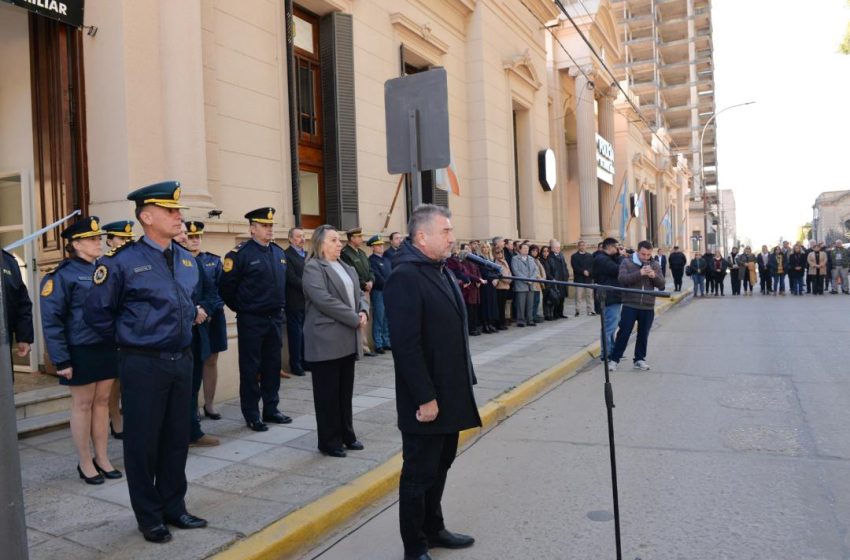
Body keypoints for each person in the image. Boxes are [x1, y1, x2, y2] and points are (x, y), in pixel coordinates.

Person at [84, 181, 208, 543]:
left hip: (181, 360)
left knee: (176, 438)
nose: (179, 217)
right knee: (142, 443)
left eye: (178, 211)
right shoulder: (121, 262)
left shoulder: (186, 258)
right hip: (143, 363)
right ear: (146, 216)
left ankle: (174, 507)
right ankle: (149, 516)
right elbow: (96, 315)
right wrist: (132, 339)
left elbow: (188, 300)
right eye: (171, 211)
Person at [384, 204, 481, 560]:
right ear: (421, 237)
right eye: (446, 232)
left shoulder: (440, 270)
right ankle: (414, 546)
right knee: (418, 473)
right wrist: (425, 397)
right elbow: (406, 346)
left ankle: (433, 528)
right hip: (425, 398)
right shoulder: (405, 276)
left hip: (451, 392)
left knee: (440, 466)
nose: (452, 238)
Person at [41, 217, 122, 485]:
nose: (98, 242)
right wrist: (60, 358)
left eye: (99, 238)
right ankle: (85, 461)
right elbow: (52, 320)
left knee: (102, 403)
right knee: (83, 405)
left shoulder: (105, 269)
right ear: (76, 244)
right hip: (80, 348)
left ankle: (102, 457)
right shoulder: (61, 275)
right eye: (91, 239)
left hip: (106, 345)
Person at [220, 207, 291, 432]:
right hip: (252, 319)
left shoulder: (279, 253)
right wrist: (243, 308)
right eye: (264, 226)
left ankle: (271, 408)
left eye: (271, 225)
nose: (270, 229)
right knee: (251, 368)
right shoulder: (240, 255)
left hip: (274, 318)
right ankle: (252, 413)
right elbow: (226, 288)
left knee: (272, 365)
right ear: (252, 229)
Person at [302, 224, 369, 458]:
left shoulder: (346, 267)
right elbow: (323, 300)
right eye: (333, 240)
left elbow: (360, 294)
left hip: (347, 339)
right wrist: (354, 318)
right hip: (326, 341)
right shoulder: (313, 268)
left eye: (339, 240)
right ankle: (329, 441)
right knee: (327, 394)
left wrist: (364, 311)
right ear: (320, 243)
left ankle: (347, 434)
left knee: (344, 392)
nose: (339, 244)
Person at [175, 222, 220, 448]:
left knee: (192, 385)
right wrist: (192, 311)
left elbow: (211, 292)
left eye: (187, 233)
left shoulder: (191, 261)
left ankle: (192, 430)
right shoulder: (158, 261)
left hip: (195, 335)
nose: (185, 236)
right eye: (182, 232)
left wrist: (202, 309)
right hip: (171, 337)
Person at [181, 220, 229, 419]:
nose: (194, 240)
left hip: (213, 318)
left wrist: (205, 310)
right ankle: (192, 407)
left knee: (211, 360)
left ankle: (209, 404)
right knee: (192, 364)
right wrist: (195, 311)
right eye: (191, 237)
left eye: (197, 237)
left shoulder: (213, 261)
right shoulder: (179, 261)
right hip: (191, 320)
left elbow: (221, 291)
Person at [608, 241, 665, 371]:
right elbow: (622, 279)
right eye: (643, 254)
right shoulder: (627, 262)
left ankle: (639, 359)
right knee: (624, 332)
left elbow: (661, 285)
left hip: (648, 305)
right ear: (638, 251)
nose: (645, 257)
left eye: (648, 255)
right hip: (630, 304)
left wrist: (653, 276)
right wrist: (639, 273)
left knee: (643, 334)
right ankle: (614, 359)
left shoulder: (655, 264)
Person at [101, 220, 134, 438]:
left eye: (129, 239)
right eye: (121, 238)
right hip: (111, 331)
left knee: (127, 379)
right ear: (110, 240)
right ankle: (115, 418)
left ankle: (127, 416)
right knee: (113, 380)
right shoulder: (104, 264)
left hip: (130, 330)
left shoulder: (134, 261)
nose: (125, 243)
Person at [341, 227, 376, 357]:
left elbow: (370, 269)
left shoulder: (361, 253)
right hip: (356, 290)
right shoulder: (345, 253)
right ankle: (358, 347)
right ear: (352, 238)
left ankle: (364, 346)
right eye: (359, 237)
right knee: (356, 319)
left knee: (364, 318)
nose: (361, 239)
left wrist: (371, 281)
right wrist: (363, 284)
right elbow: (350, 272)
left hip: (366, 291)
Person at [1, 248, 33, 373]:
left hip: (3, 343)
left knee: (4, 388)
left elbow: (22, 302)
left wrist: (24, 337)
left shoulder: (9, 262)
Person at [592, 238, 624, 359]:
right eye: (616, 247)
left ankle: (611, 351)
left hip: (613, 296)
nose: (618, 249)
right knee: (609, 327)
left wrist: (619, 255)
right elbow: (619, 270)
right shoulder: (601, 259)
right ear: (609, 247)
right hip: (609, 297)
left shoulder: (607, 258)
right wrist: (621, 257)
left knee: (612, 326)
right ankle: (606, 354)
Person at [284, 227, 308, 377]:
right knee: (296, 334)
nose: (302, 239)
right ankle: (296, 364)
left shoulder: (306, 255)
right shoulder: (286, 255)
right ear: (291, 239)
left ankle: (306, 361)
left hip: (307, 301)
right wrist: (309, 285)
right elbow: (291, 278)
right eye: (299, 236)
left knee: (305, 333)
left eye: (303, 236)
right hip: (294, 301)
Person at [367, 234, 391, 352]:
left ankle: (386, 341)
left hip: (388, 292)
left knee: (387, 318)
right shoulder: (371, 260)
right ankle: (378, 344)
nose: (381, 247)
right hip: (379, 292)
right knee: (379, 317)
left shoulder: (386, 260)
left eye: (381, 244)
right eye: (378, 245)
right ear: (372, 247)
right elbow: (377, 276)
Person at [509, 242, 538, 327]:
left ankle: (530, 319)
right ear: (520, 249)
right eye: (524, 248)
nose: (526, 250)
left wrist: (531, 279)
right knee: (520, 304)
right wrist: (526, 279)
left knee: (530, 303)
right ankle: (520, 320)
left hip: (531, 285)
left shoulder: (531, 259)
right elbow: (516, 271)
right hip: (521, 285)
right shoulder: (515, 259)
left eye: (527, 249)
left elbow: (535, 270)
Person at [458, 245, 484, 336]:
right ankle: (470, 328)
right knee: (469, 309)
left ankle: (474, 326)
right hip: (468, 288)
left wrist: (479, 280)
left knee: (475, 309)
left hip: (475, 287)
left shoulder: (474, 260)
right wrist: (477, 279)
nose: (468, 250)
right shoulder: (463, 261)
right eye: (466, 249)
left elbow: (478, 271)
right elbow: (467, 273)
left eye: (468, 249)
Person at [477, 242, 499, 333]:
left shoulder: (492, 259)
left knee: (492, 304)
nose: (485, 249)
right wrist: (492, 279)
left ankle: (490, 323)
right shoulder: (480, 259)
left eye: (487, 247)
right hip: (485, 284)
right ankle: (485, 324)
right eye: (483, 247)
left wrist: (496, 279)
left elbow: (497, 270)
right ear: (481, 249)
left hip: (493, 284)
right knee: (486, 304)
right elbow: (483, 272)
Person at [545, 239, 569, 319]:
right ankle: (555, 314)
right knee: (555, 297)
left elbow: (565, 266)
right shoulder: (549, 257)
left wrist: (567, 275)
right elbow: (548, 270)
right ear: (552, 248)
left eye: (559, 247)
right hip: (555, 280)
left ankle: (560, 313)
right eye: (557, 247)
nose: (559, 249)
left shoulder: (561, 255)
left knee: (562, 297)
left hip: (563, 280)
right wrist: (552, 279)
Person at [571, 240, 595, 316]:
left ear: (586, 246)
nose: (582, 247)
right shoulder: (574, 256)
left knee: (589, 296)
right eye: (581, 245)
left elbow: (593, 266)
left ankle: (590, 310)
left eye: (584, 245)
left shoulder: (590, 256)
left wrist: (589, 271)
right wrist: (583, 271)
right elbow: (575, 267)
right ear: (578, 247)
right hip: (579, 278)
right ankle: (577, 310)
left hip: (588, 278)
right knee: (578, 296)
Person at [493, 247, 512, 330]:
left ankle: (503, 322)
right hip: (499, 287)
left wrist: (510, 279)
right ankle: (500, 323)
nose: (500, 254)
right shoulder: (495, 262)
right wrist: (507, 280)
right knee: (499, 306)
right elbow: (499, 275)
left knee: (503, 306)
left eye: (501, 252)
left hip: (506, 286)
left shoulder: (505, 261)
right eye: (497, 252)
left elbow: (509, 272)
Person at [530, 245, 545, 323]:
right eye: (533, 251)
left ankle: (535, 314)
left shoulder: (537, 260)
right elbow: (534, 271)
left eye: (536, 251)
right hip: (534, 283)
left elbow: (542, 270)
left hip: (539, 283)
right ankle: (532, 315)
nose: (535, 252)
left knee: (537, 300)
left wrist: (543, 278)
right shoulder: (530, 259)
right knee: (533, 300)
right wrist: (540, 278)